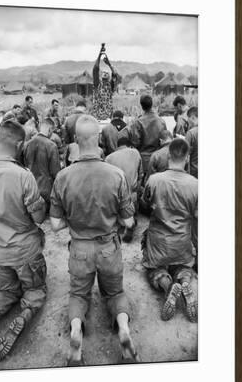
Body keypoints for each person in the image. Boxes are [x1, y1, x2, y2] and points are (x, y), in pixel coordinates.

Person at [50, 114, 139, 365]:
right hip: (108, 247)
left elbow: (55, 225)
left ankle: (76, 332)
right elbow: (129, 222)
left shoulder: (63, 177)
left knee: (78, 295)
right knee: (115, 292)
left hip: (79, 248)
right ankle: (123, 329)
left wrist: (75, 221)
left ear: (76, 141)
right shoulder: (116, 174)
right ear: (98, 138)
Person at [0, 120, 47, 364]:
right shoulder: (24, 176)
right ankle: (25, 315)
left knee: (6, 292)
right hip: (25, 252)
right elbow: (39, 217)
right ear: (20, 144)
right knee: (35, 291)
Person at [142, 138, 198, 323]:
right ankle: (184, 283)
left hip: (158, 241)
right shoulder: (195, 184)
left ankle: (168, 287)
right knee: (184, 268)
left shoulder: (154, 180)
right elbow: (197, 217)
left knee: (154, 269)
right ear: (187, 158)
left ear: (168, 155)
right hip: (182, 242)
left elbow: (146, 203)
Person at [106, 131, 143, 242]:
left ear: (117, 147)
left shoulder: (108, 158)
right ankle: (130, 222)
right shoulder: (135, 152)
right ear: (129, 145)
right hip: (132, 194)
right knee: (133, 202)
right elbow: (141, 174)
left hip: (115, 195)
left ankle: (120, 223)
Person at [24, 118, 61, 211]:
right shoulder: (51, 145)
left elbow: (24, 166)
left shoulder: (28, 144)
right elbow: (55, 172)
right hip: (47, 190)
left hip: (30, 188)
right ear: (50, 130)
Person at [129, 94, 167, 175]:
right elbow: (165, 140)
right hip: (159, 158)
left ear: (141, 106)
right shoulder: (161, 121)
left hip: (144, 160)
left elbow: (135, 142)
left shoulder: (138, 122)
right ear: (152, 104)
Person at [92, 47, 119, 120]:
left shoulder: (111, 86)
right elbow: (95, 70)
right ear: (101, 75)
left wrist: (109, 64)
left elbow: (115, 75)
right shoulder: (97, 84)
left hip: (108, 116)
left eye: (107, 72)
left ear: (109, 76)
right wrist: (99, 55)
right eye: (104, 72)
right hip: (97, 116)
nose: (105, 73)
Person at [185, 106, 198, 178]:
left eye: (188, 118)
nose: (187, 121)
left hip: (194, 172)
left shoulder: (191, 133)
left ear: (192, 117)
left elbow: (185, 156)